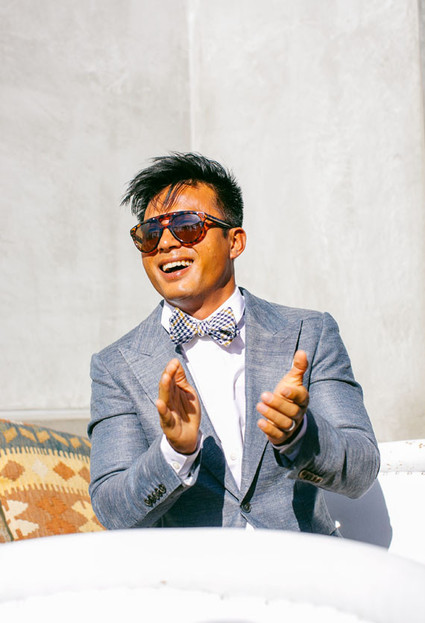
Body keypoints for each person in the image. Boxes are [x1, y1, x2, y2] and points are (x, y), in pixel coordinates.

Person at [89, 152, 379, 532]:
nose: (167, 243)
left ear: (235, 241)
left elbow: (361, 469)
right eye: (151, 234)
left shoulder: (310, 332)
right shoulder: (116, 366)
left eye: (188, 226)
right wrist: (174, 452)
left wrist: (300, 434)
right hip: (193, 569)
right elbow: (113, 511)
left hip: (303, 563)